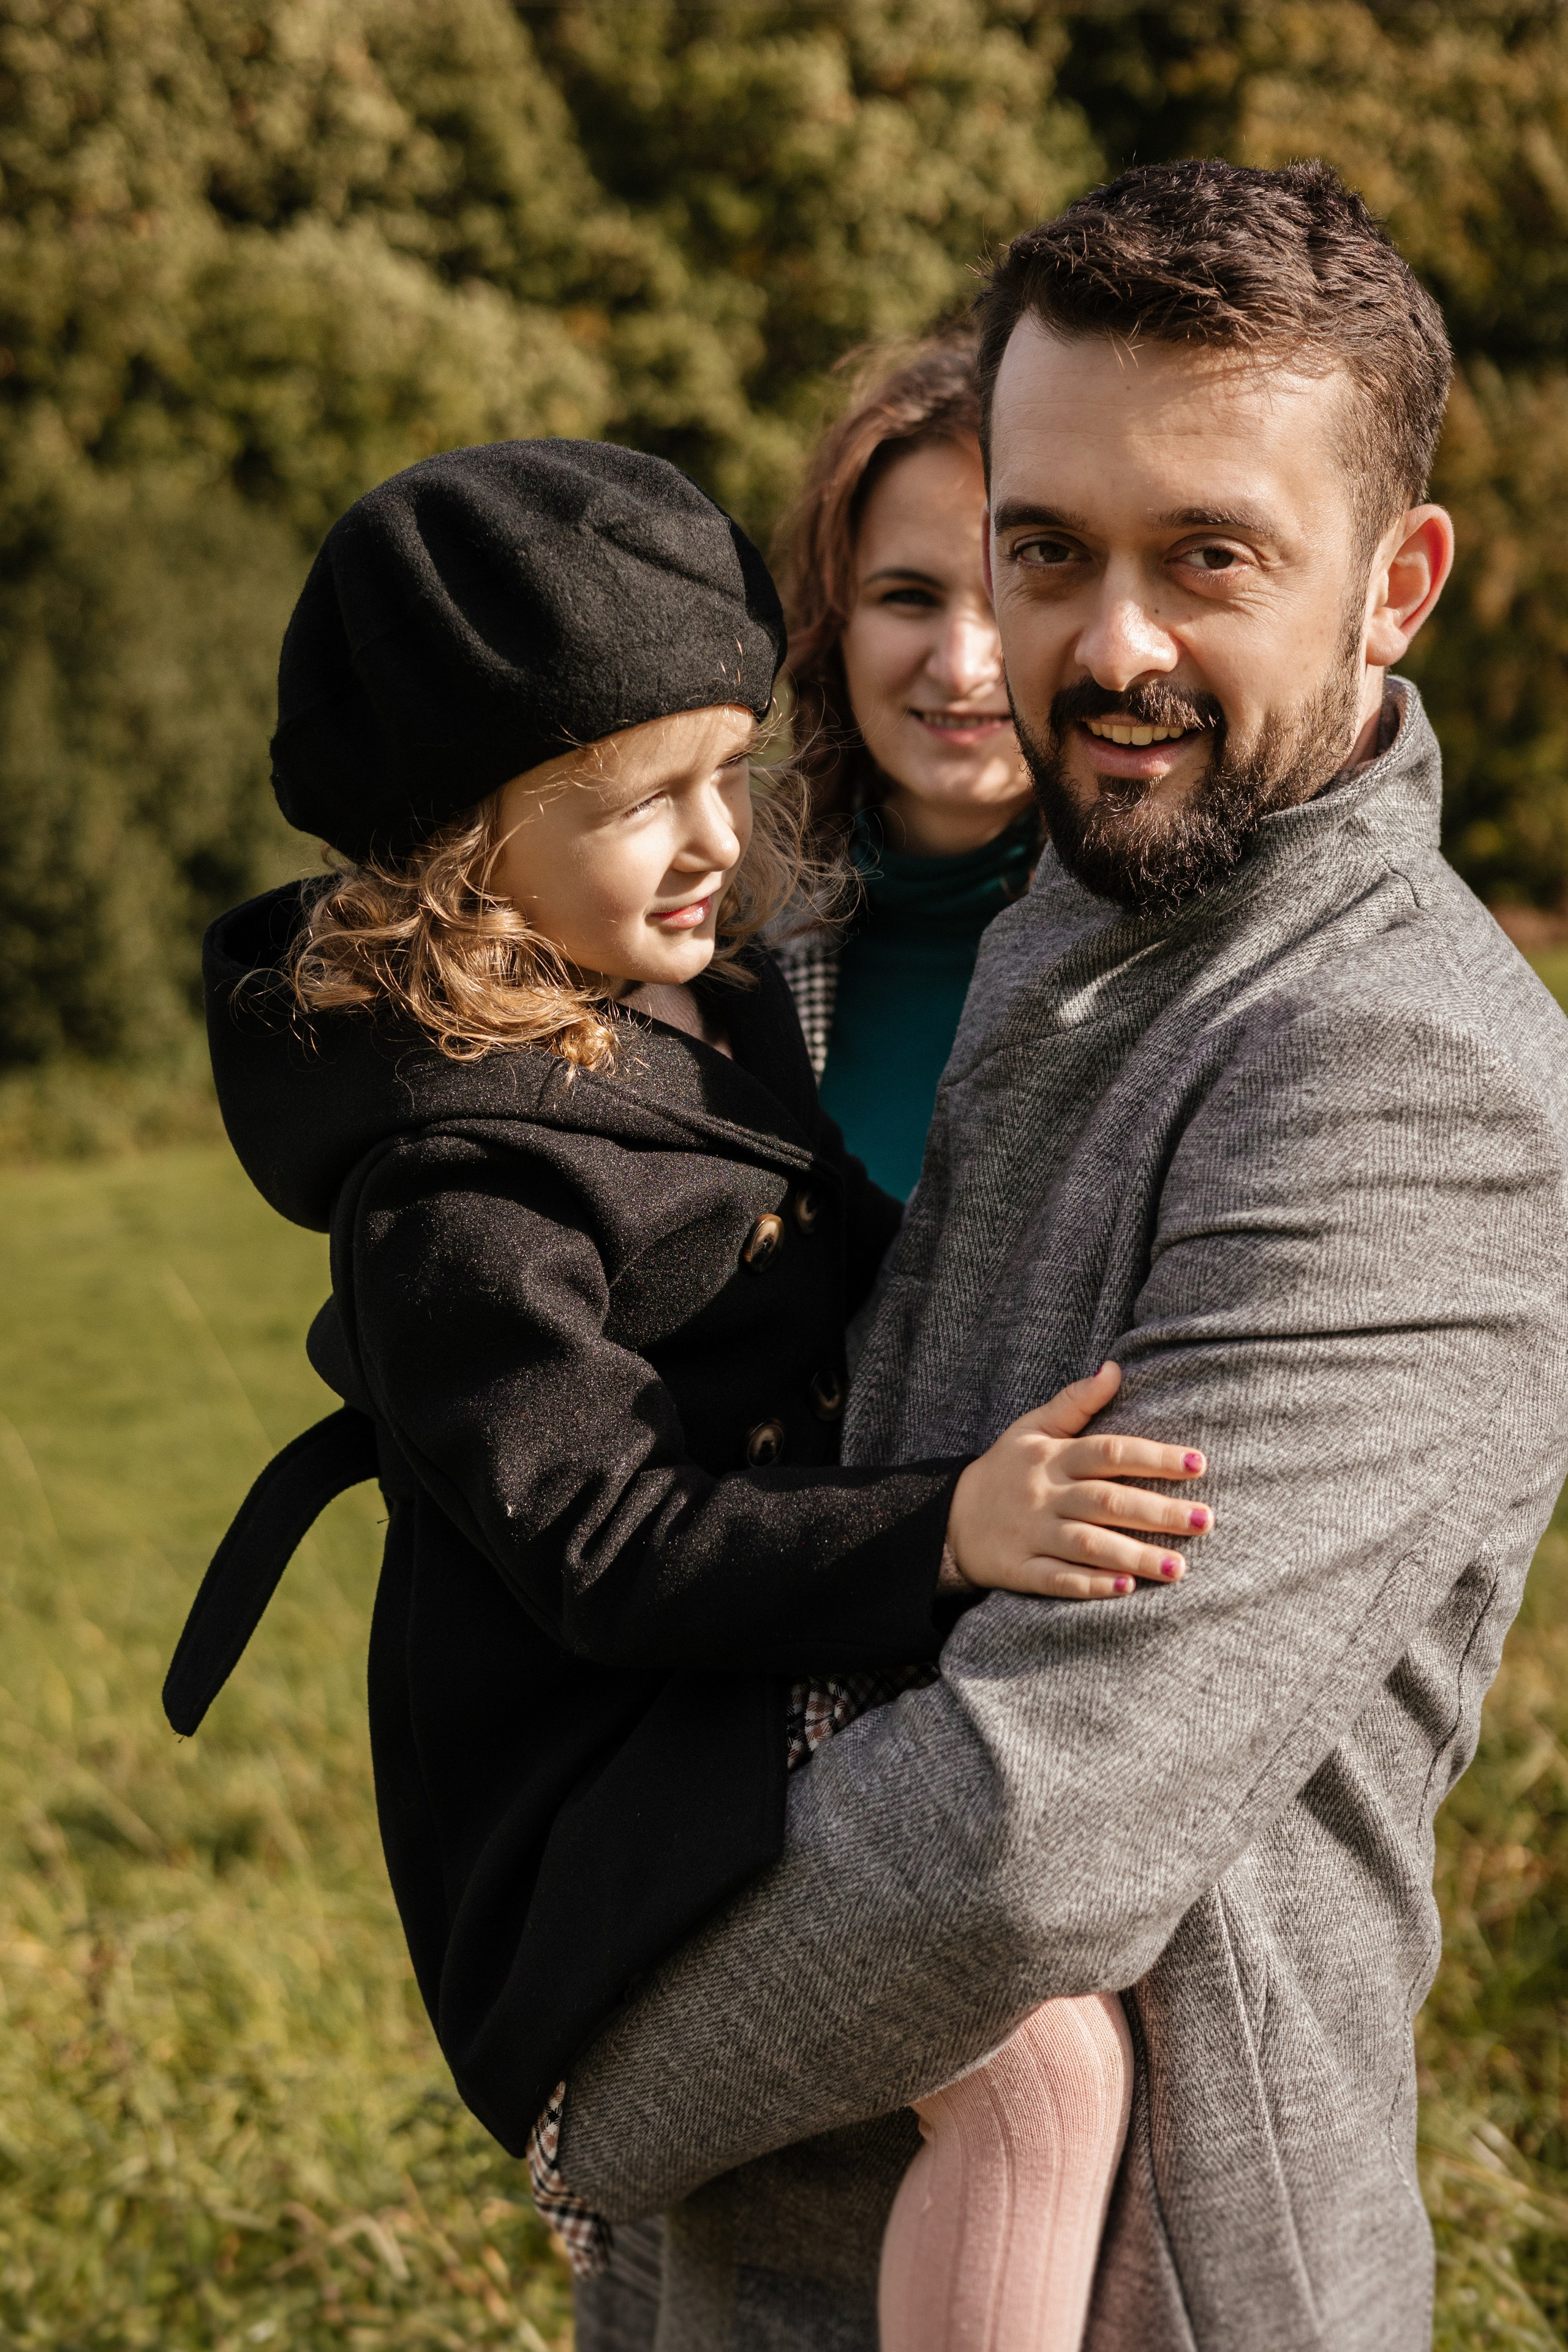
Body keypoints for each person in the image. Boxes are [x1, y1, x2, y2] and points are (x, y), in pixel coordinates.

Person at [551, 162, 1568, 2352]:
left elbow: (1037, 1827)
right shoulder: (1073, 921)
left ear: (1396, 585)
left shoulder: (1402, 1072)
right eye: (1047, 551)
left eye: (1209, 556)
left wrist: (585, 2082)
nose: (1106, 650)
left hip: (1141, 2282)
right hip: (749, 2250)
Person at [162, 441, 1216, 2343]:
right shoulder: (454, 1187)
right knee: (1039, 2074)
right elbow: (611, 1547)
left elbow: (865, 1261)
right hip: (598, 1800)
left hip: (737, 1696)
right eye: (647, 798)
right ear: (463, 836)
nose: (723, 836)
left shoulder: (695, 1005)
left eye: (733, 768)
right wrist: (948, 1525)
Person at [772, 336, 1036, 1197]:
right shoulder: (714, 942)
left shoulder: (1182, 965)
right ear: (835, 621)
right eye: (908, 597)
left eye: (1010, 598)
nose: (960, 667)